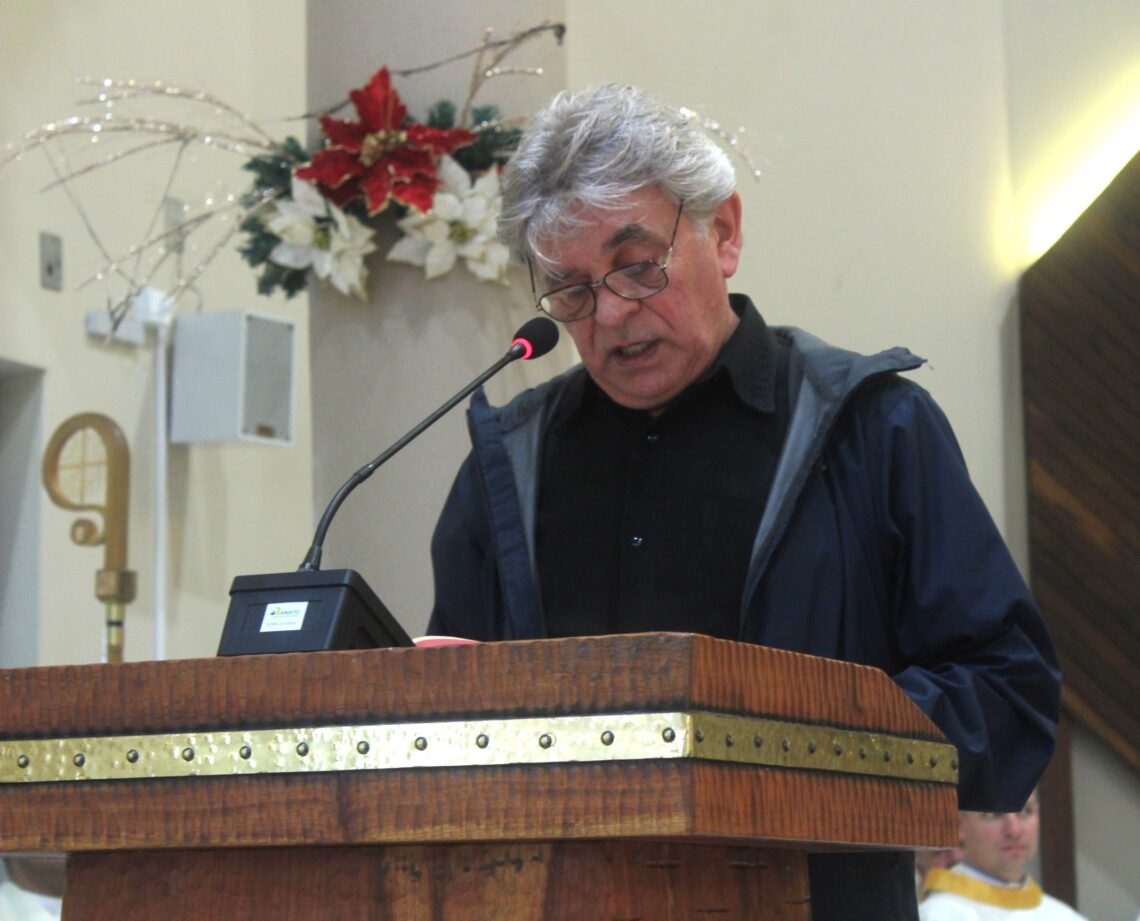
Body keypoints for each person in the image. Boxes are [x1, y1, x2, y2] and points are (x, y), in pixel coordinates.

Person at [428, 83, 1061, 920]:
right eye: (572, 291)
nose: (613, 314)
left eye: (637, 265)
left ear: (722, 233)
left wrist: (784, 744)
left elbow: (1008, 693)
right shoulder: (507, 466)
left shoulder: (869, 430)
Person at [920, 790, 1088, 920]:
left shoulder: (1065, 916)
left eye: (1025, 812)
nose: (1014, 830)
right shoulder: (938, 914)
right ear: (959, 826)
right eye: (994, 814)